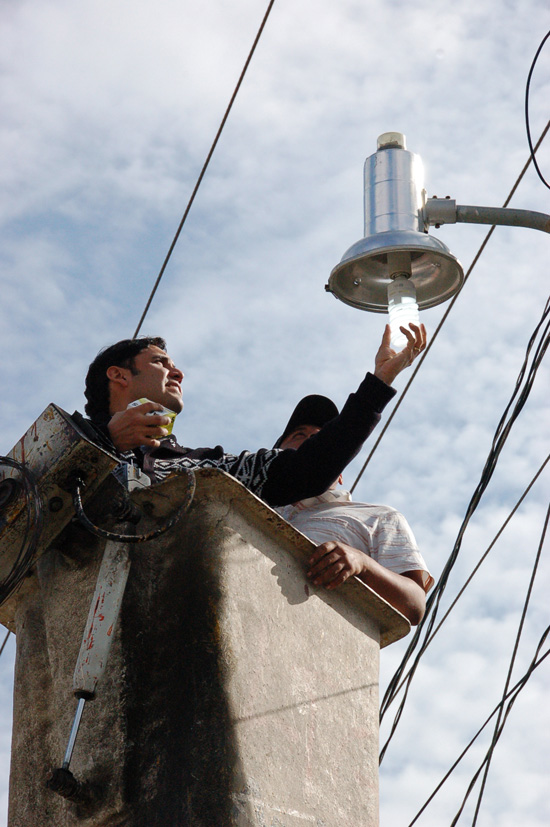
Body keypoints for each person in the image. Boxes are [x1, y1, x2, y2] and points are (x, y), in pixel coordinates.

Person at [82, 324, 426, 508]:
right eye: (160, 362)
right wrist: (106, 442)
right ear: (119, 376)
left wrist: (379, 384)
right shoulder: (63, 442)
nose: (178, 373)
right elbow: (29, 511)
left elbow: (306, 471)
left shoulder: (206, 468)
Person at [273, 394, 433, 625]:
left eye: (320, 438)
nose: (308, 441)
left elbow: (414, 606)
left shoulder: (379, 518)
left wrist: (362, 563)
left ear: (339, 473)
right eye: (299, 435)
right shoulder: (241, 504)